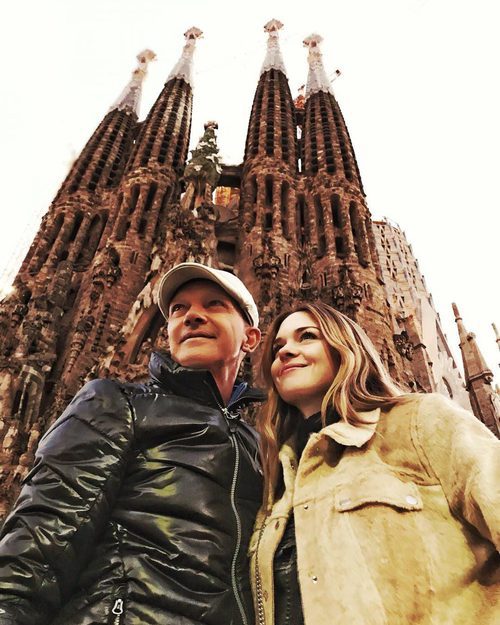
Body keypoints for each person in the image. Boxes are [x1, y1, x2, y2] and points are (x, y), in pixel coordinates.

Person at [0, 262, 263, 625]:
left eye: (214, 304)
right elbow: (43, 535)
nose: (192, 317)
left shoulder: (258, 444)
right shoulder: (117, 403)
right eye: (178, 309)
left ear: (250, 338)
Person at [250, 302, 500, 625]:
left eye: (306, 336)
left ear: (345, 347)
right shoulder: (278, 480)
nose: (284, 353)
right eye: (278, 347)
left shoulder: (419, 424)